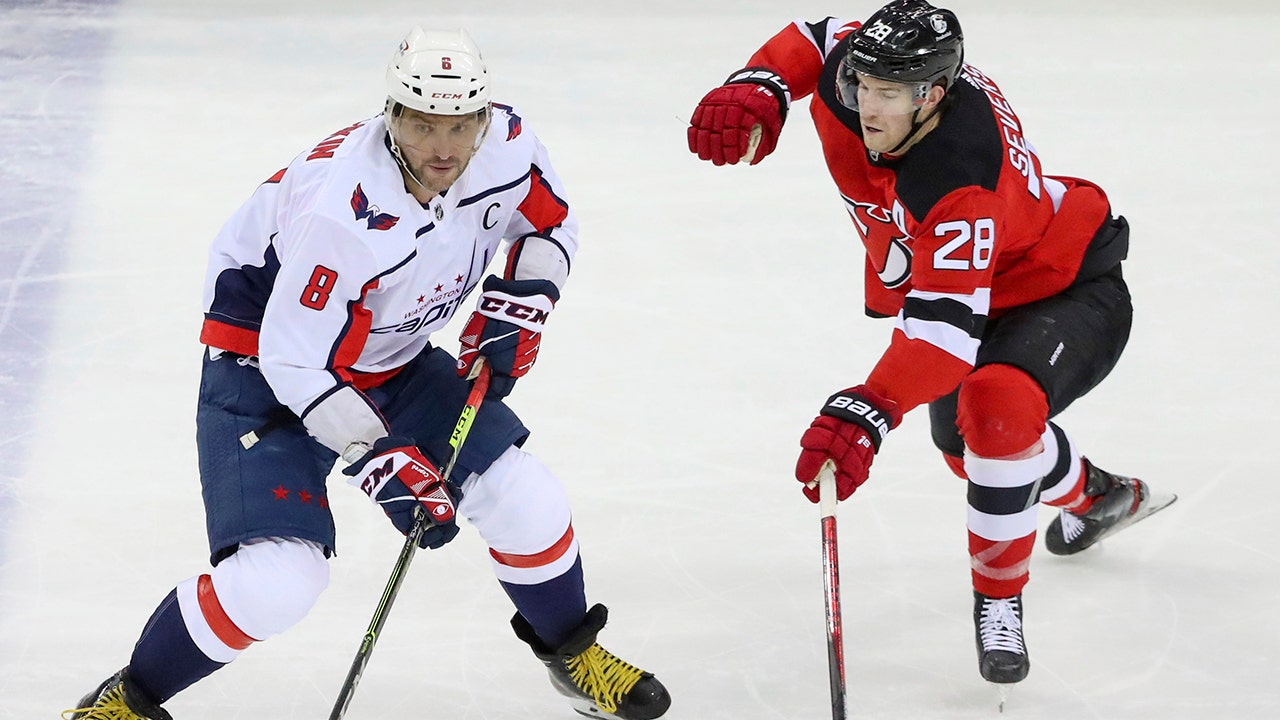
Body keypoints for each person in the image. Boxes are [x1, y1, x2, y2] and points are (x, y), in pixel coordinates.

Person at [65, 27, 669, 720]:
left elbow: (550, 225)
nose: (443, 148)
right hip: (266, 370)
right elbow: (295, 357)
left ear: (484, 117)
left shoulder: (507, 144)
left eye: (460, 125)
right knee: (279, 582)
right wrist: (377, 456)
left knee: (525, 497)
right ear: (392, 115)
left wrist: (524, 301)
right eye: (423, 124)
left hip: (388, 356)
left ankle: (571, 655)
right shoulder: (343, 212)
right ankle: (126, 701)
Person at [686, 0, 1174, 685]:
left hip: (1063, 284)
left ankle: (999, 602)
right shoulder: (865, 75)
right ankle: (1098, 496)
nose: (867, 106)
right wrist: (760, 81)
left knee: (996, 409)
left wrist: (869, 409)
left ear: (934, 96)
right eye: (861, 85)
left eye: (888, 95)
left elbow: (941, 342)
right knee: (969, 453)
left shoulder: (961, 177)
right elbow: (820, 37)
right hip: (968, 291)